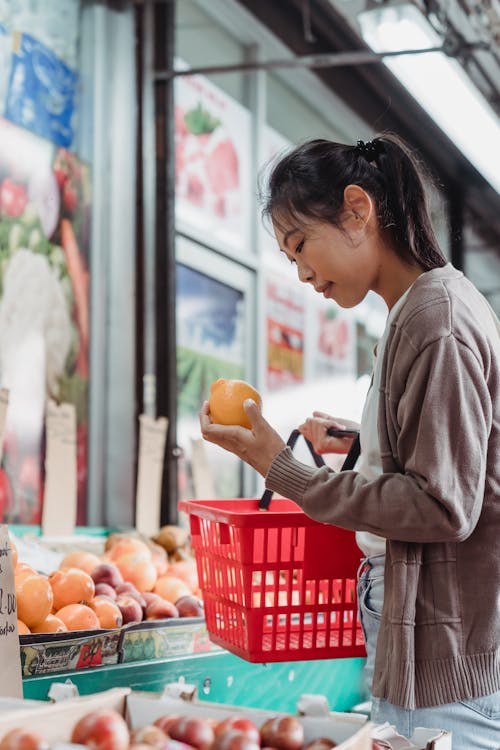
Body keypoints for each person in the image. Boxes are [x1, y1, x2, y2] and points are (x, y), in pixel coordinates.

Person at [199, 133, 500, 750]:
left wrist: (280, 468)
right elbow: (447, 456)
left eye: (301, 244)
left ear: (357, 211)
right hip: (434, 650)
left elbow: (442, 504)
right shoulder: (419, 310)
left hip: (440, 668)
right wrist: (362, 441)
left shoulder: (434, 319)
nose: (304, 272)